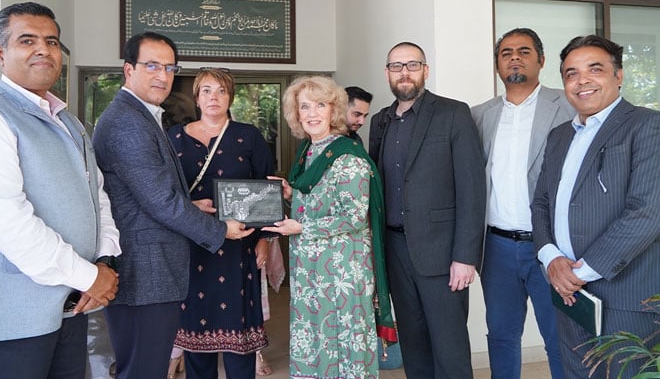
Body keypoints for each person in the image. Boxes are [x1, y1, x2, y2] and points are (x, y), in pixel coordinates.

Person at [0, 2, 120, 378]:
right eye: (27, 40)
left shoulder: (70, 122)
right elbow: (6, 219)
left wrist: (105, 260)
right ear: (1, 53)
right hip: (5, 322)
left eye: (51, 41)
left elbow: (97, 198)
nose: (43, 50)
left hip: (70, 309)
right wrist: (88, 277)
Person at [92, 32, 253, 379]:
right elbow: (161, 202)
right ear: (128, 69)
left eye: (169, 67)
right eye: (151, 65)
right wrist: (221, 229)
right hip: (143, 272)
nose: (162, 76)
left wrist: (190, 205)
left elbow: (149, 194)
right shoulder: (128, 122)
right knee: (143, 369)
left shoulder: (143, 115)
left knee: (142, 366)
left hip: (149, 270)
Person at [531, 35, 660, 379]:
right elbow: (542, 202)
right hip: (568, 293)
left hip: (625, 296)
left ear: (618, 75)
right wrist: (550, 258)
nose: (581, 80)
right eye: (571, 73)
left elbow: (647, 213)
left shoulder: (647, 126)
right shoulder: (559, 135)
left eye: (595, 69)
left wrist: (579, 272)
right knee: (575, 373)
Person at [263, 75, 396, 379]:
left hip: (342, 273)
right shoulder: (308, 152)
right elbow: (315, 204)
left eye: (320, 105)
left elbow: (353, 216)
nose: (311, 113)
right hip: (311, 271)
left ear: (333, 109)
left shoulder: (348, 156)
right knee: (315, 343)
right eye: (304, 106)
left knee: (342, 349)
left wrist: (302, 227)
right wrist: (290, 194)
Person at [368, 42, 486, 379]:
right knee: (414, 343)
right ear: (387, 73)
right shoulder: (380, 121)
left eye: (412, 64)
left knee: (449, 347)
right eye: (396, 66)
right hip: (395, 250)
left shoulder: (453, 113)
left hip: (442, 252)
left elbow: (472, 189)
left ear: (425, 70)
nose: (404, 72)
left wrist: (465, 256)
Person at [471, 28, 574, 379]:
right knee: (501, 336)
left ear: (541, 60)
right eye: (506, 52)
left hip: (552, 247)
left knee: (560, 338)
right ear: (497, 64)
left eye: (524, 51)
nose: (514, 57)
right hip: (497, 247)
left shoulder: (569, 106)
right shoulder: (479, 115)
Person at [167, 67, 273, 379]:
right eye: (207, 91)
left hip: (239, 248)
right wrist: (189, 207)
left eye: (221, 91)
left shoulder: (248, 135)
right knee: (196, 340)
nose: (214, 97)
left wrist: (265, 239)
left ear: (230, 98)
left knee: (239, 339)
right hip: (192, 246)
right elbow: (163, 192)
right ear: (197, 98)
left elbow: (267, 189)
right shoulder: (174, 138)